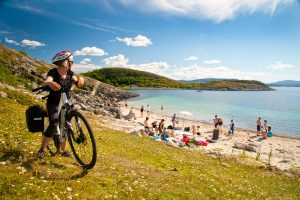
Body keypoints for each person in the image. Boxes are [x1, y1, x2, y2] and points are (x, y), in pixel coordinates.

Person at [36, 50, 84, 159]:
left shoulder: (70, 73)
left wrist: (81, 80)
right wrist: (49, 83)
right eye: (71, 61)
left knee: (64, 126)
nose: (72, 63)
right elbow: (47, 80)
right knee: (53, 124)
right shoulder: (53, 72)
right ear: (64, 61)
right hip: (53, 102)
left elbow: (77, 82)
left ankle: (64, 150)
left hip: (66, 102)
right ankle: (41, 150)